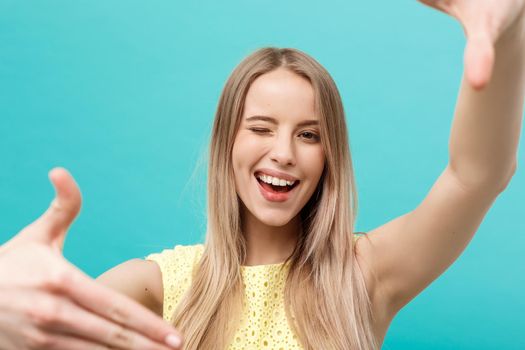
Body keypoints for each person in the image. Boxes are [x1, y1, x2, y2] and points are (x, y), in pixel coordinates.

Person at [1, 1, 524, 349]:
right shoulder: (156, 287)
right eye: (261, 128)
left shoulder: (362, 275)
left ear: (329, 158)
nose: (283, 153)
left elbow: (475, 177)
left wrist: (508, 32)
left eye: (309, 135)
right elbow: (44, 325)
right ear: (227, 141)